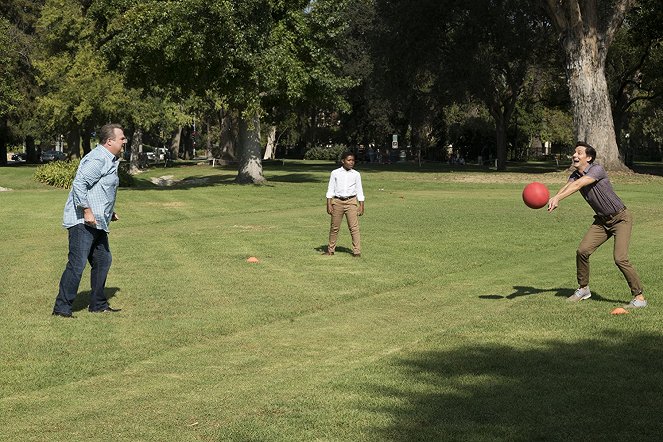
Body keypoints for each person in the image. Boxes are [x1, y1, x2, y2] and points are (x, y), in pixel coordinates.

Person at [547, 141, 647, 308]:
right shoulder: (574, 175)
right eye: (574, 152)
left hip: (620, 218)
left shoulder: (597, 170)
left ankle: (639, 298)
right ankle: (584, 288)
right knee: (582, 251)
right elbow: (569, 186)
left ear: (589, 157)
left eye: (579, 153)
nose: (575, 155)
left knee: (620, 258)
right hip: (601, 221)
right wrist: (556, 197)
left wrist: (558, 198)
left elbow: (579, 185)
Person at [52, 124, 127, 318]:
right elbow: (79, 184)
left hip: (98, 220)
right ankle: (62, 309)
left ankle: (98, 304)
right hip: (82, 221)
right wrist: (86, 210)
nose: (124, 141)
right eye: (122, 138)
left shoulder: (109, 160)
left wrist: (109, 212)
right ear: (109, 141)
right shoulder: (97, 158)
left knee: (103, 260)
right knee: (77, 265)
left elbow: (100, 190)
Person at [323, 152, 365, 257]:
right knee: (334, 227)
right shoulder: (335, 173)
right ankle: (330, 250)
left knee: (354, 227)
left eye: (353, 160)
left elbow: (359, 190)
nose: (351, 162)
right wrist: (329, 204)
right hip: (337, 202)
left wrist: (361, 205)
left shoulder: (356, 174)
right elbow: (330, 189)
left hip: (351, 202)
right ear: (343, 161)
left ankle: (357, 251)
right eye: (349, 160)